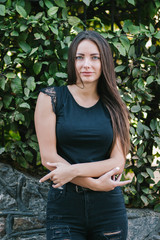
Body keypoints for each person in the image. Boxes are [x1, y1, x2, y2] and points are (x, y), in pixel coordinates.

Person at [34, 30, 131, 240]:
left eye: (94, 57)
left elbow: (118, 161)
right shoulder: (50, 98)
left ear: (104, 61)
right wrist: (94, 184)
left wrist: (72, 170)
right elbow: (49, 158)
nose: (86, 64)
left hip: (108, 208)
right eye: (80, 57)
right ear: (72, 61)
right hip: (65, 207)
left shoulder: (115, 106)